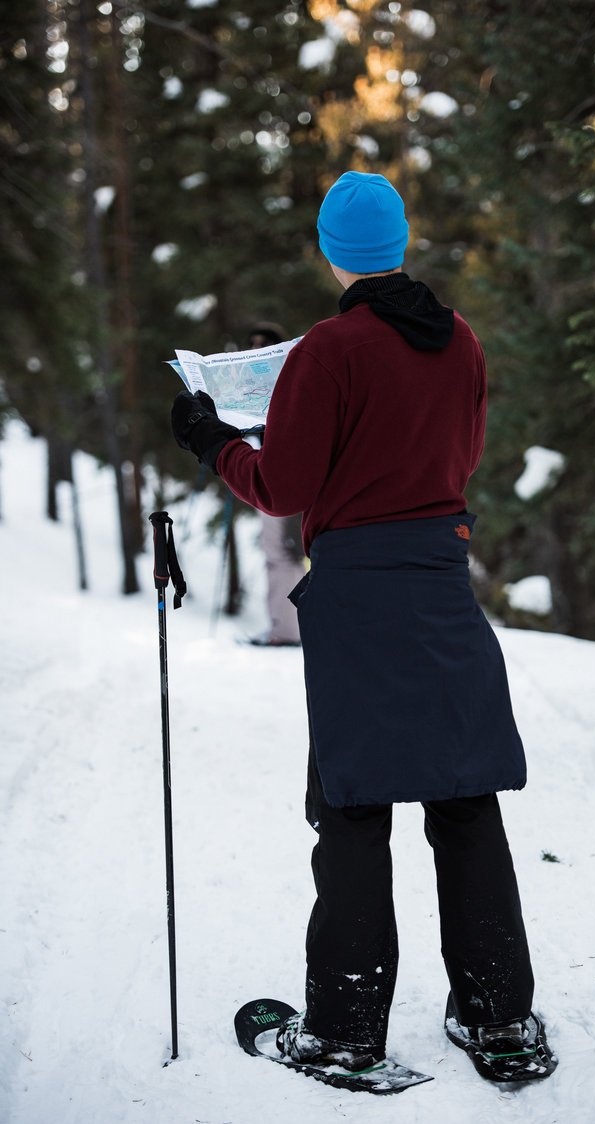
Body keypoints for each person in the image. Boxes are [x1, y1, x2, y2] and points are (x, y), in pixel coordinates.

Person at [171, 171, 556, 1083]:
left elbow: (283, 486)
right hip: (440, 579)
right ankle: (499, 1021)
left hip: (357, 594)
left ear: (330, 249)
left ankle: (345, 1032)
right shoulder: (459, 340)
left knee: (352, 807)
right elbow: (459, 452)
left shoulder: (331, 350)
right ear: (402, 241)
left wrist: (211, 439)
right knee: (465, 801)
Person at [240, 323, 304, 647]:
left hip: (285, 478)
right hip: (271, 473)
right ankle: (284, 625)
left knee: (284, 550)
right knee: (279, 550)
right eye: (252, 343)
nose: (255, 349)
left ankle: (288, 630)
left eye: (263, 344)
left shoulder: (287, 379)